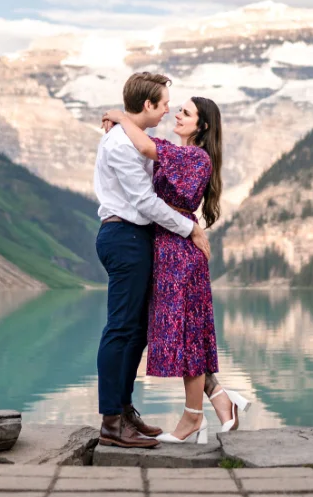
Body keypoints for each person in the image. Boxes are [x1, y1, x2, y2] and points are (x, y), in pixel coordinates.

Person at [102, 94, 251, 445]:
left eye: (186, 113)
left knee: (187, 333)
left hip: (180, 251)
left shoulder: (194, 156)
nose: (178, 115)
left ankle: (193, 419)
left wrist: (121, 117)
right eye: (178, 109)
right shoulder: (179, 151)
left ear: (203, 126)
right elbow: (144, 145)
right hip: (168, 246)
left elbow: (143, 144)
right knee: (185, 333)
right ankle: (219, 398)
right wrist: (119, 120)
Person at [94, 72, 213, 449]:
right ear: (147, 105)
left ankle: (124, 410)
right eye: (163, 105)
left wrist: (120, 115)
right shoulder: (121, 144)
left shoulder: (134, 137)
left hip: (136, 238)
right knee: (121, 328)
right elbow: (145, 203)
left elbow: (153, 152)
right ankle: (111, 421)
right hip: (125, 236)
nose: (167, 112)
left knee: (136, 330)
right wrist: (190, 229)